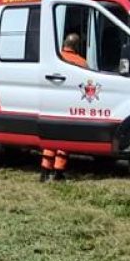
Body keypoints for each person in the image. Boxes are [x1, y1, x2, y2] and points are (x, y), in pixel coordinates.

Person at [42, 33, 88, 182]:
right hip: (69, 105)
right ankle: (58, 173)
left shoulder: (55, 59)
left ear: (64, 44)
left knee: (50, 140)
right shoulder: (82, 63)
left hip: (52, 104)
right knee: (63, 141)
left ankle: (44, 171)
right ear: (77, 46)